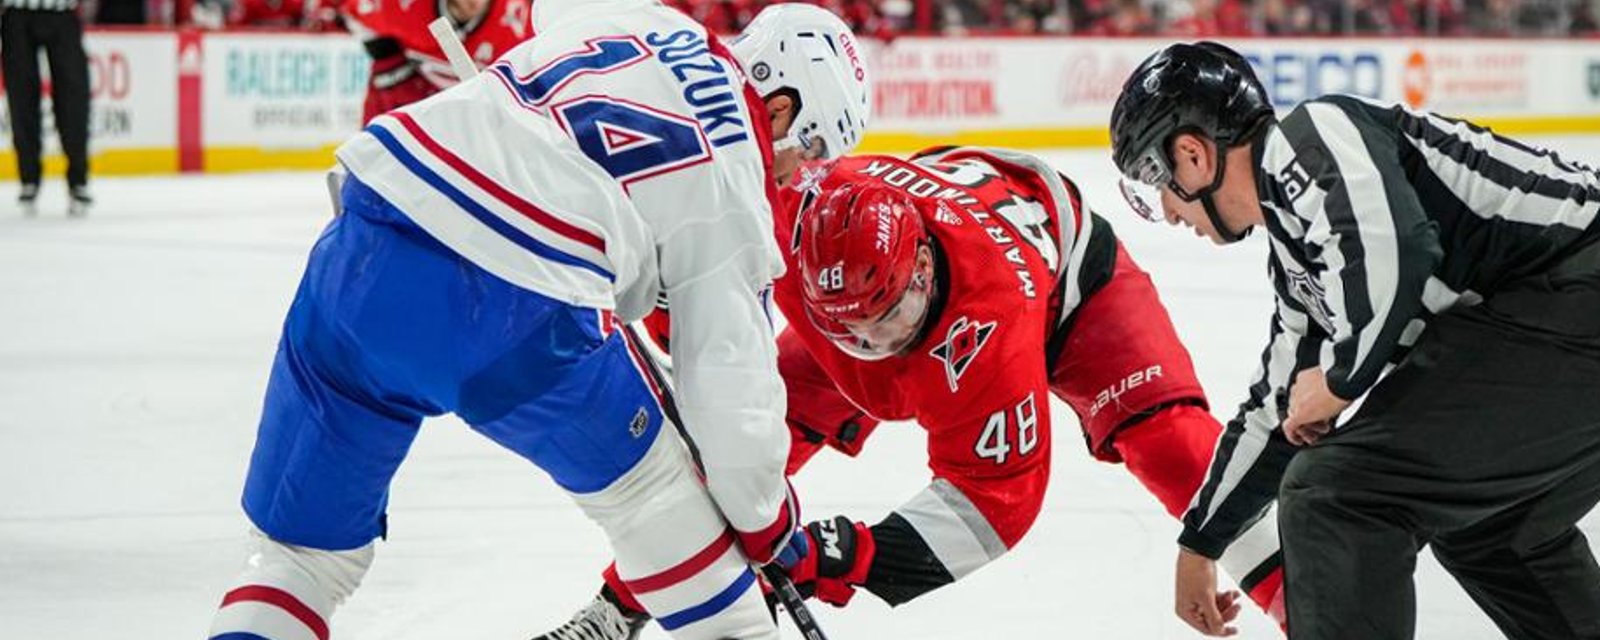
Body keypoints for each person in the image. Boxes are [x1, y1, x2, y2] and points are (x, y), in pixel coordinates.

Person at [205, 2, 870, 639]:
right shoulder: (739, 197)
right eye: (806, 151)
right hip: (513, 309)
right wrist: (769, 525)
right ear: (780, 107)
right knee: (691, 559)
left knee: (298, 561)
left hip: (367, 238)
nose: (794, 174)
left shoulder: (650, 16)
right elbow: (731, 402)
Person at [538, 145, 1291, 639]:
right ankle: (621, 605)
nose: (879, 347)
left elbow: (992, 506)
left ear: (925, 267)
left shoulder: (984, 322)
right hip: (872, 281)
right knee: (730, 448)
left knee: (1176, 448)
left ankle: (1313, 608)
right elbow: (692, 240)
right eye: (859, 332)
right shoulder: (792, 230)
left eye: (893, 318)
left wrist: (847, 555)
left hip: (1072, 289)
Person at [1110, 41, 1600, 639]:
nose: (1168, 212)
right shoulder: (1303, 259)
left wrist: (1341, 379)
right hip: (1562, 319)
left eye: (1155, 181)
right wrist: (1201, 543)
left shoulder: (1312, 133)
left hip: (1578, 290)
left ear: (1192, 155)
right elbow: (1274, 413)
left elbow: (1395, 248)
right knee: (1494, 531)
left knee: (1334, 493)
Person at [343, 0, 530, 124]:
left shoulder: (518, 19)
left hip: (472, 117)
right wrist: (390, 62)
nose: (474, 2)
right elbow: (353, 13)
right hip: (405, 98)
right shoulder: (405, 6)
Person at [2, 0, 90, 217]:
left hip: (62, 10)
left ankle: (78, 179)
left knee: (73, 98)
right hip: (17, 11)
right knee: (21, 98)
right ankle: (29, 177)